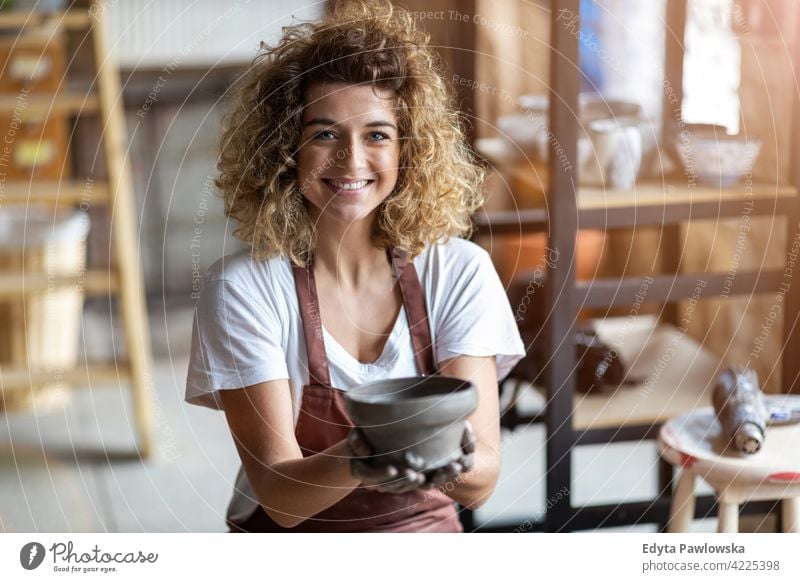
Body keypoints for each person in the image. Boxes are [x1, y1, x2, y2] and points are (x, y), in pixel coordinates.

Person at [185, 0, 525, 532]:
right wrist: (367, 455)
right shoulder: (243, 291)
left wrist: (410, 452)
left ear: (408, 150)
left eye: (377, 134)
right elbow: (282, 495)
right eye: (324, 133)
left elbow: (480, 477)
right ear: (284, 149)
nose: (351, 158)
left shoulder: (459, 272)